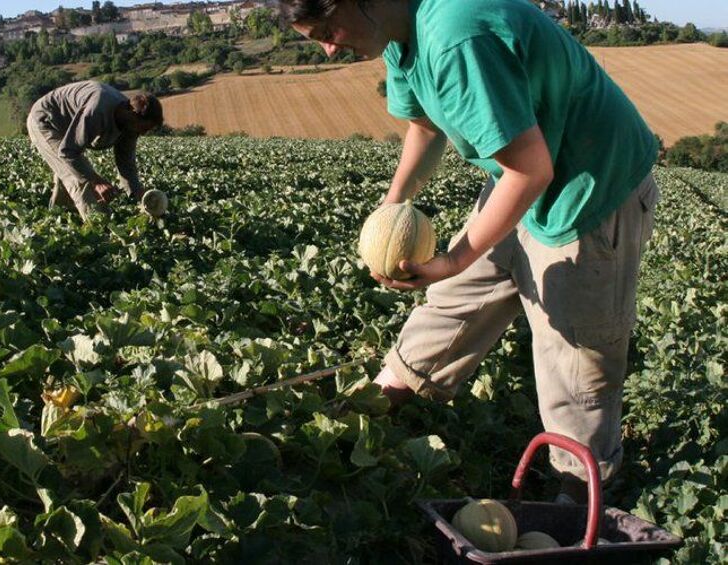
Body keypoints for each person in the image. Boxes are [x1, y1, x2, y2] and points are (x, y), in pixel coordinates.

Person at [277, 0, 659, 502]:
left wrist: (454, 258)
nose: (328, 47)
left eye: (329, 28)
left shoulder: (455, 35)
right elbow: (425, 126)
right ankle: (372, 405)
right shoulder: (397, 31)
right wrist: (393, 206)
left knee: (575, 356)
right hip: (523, 175)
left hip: (587, 187)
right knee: (457, 296)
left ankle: (580, 497)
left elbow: (532, 171)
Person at [27, 81, 164, 220]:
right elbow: (69, 152)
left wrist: (138, 192)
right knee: (80, 180)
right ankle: (99, 232)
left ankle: (59, 220)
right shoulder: (98, 110)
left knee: (73, 171)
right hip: (47, 121)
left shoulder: (131, 126)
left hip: (69, 127)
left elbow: (126, 163)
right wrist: (96, 181)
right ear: (131, 114)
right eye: (143, 128)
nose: (143, 133)